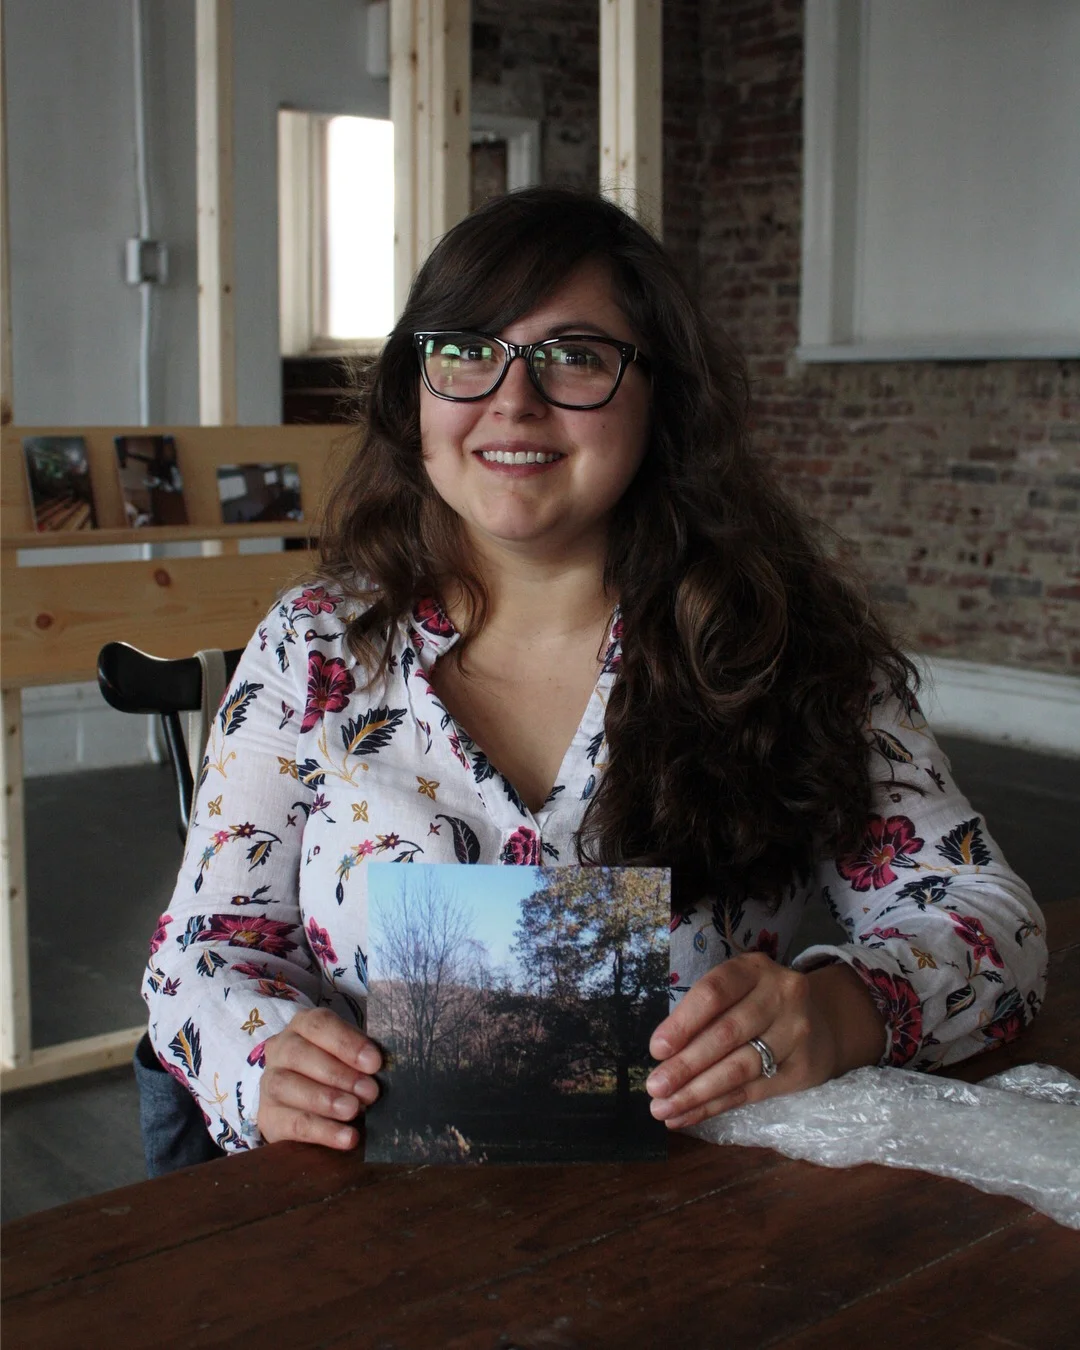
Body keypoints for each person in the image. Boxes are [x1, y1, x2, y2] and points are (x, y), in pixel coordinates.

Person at [143, 186, 1047, 1158]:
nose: (512, 400)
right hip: (375, 1216)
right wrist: (264, 1059)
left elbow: (993, 922)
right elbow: (203, 953)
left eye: (575, 356)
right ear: (415, 390)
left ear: (662, 396)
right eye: (466, 351)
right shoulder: (316, 649)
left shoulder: (780, 645)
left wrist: (844, 1010)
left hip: (714, 1211)